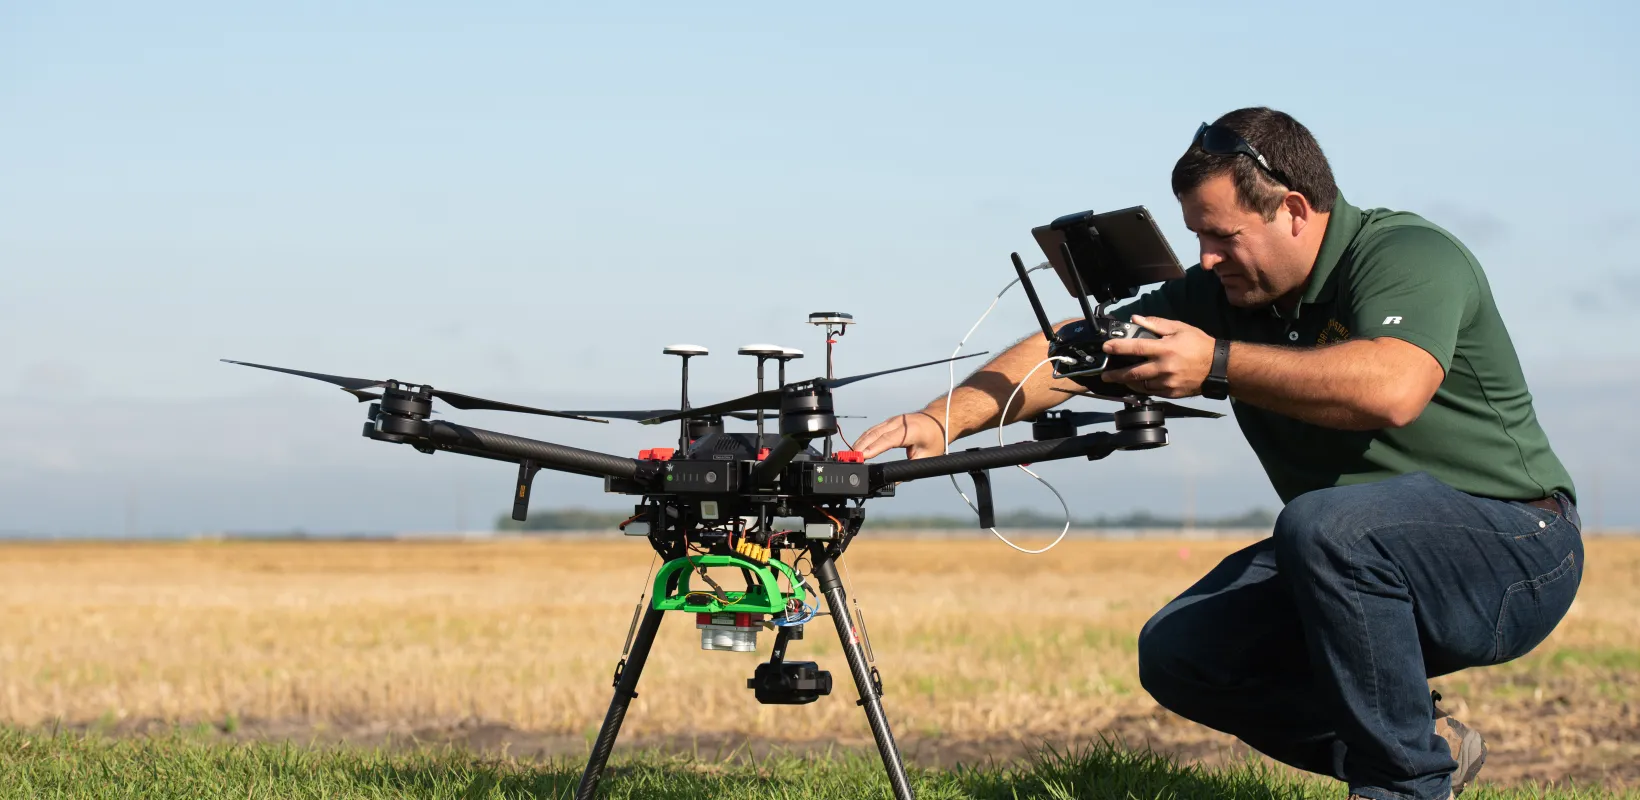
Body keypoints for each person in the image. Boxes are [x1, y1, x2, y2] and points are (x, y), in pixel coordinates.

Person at [854, 107, 1581, 800]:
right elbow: (1076, 350)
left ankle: (1401, 788)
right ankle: (1429, 749)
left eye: (1221, 235)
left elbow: (1391, 388)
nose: (1205, 257)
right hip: (1348, 549)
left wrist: (1218, 363)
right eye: (1196, 235)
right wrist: (943, 419)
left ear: (1294, 210)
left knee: (1327, 526)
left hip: (1517, 547)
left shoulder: (1407, 255)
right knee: (1183, 650)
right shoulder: (1224, 292)